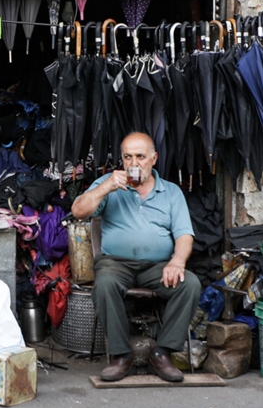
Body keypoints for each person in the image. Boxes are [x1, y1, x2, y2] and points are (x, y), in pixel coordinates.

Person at [71, 132, 201, 382]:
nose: (134, 163)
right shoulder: (110, 184)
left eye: (140, 156)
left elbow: (185, 234)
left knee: (190, 284)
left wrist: (177, 261)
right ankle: (121, 356)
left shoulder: (171, 192)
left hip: (158, 266)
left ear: (154, 158)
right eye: (128, 157)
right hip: (115, 263)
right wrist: (106, 186)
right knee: (105, 283)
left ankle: (162, 353)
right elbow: (78, 211)